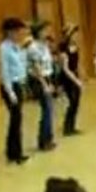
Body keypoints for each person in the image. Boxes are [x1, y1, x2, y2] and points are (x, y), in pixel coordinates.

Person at [0, 17, 29, 165]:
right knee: (15, 119)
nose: (20, 34)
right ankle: (14, 153)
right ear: (9, 32)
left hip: (19, 83)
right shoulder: (4, 48)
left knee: (18, 119)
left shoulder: (18, 46)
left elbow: (22, 65)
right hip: (10, 85)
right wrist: (10, 92)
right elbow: (5, 71)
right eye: (17, 31)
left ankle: (15, 151)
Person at [28, 21, 57, 152]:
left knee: (50, 110)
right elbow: (36, 68)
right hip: (39, 80)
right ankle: (43, 140)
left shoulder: (44, 45)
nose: (47, 33)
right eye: (44, 30)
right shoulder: (33, 47)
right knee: (46, 110)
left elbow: (48, 64)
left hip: (48, 77)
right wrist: (45, 84)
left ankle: (49, 138)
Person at [56, 24, 84, 136]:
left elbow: (76, 63)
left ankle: (72, 126)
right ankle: (67, 127)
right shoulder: (63, 48)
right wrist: (76, 81)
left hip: (74, 75)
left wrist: (81, 75)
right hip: (67, 78)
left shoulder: (75, 46)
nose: (75, 35)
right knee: (72, 102)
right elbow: (65, 68)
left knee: (76, 102)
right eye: (73, 33)